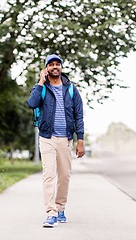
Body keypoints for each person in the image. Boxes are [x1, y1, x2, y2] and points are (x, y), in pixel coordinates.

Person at [27, 54, 85, 227]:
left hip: (66, 139)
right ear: (46, 69)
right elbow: (32, 103)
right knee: (49, 175)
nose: (55, 67)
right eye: (51, 65)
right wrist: (40, 82)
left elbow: (79, 116)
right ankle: (51, 213)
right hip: (47, 138)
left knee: (64, 176)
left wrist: (80, 140)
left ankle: (60, 209)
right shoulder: (42, 88)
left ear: (61, 67)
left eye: (57, 64)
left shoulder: (71, 89)